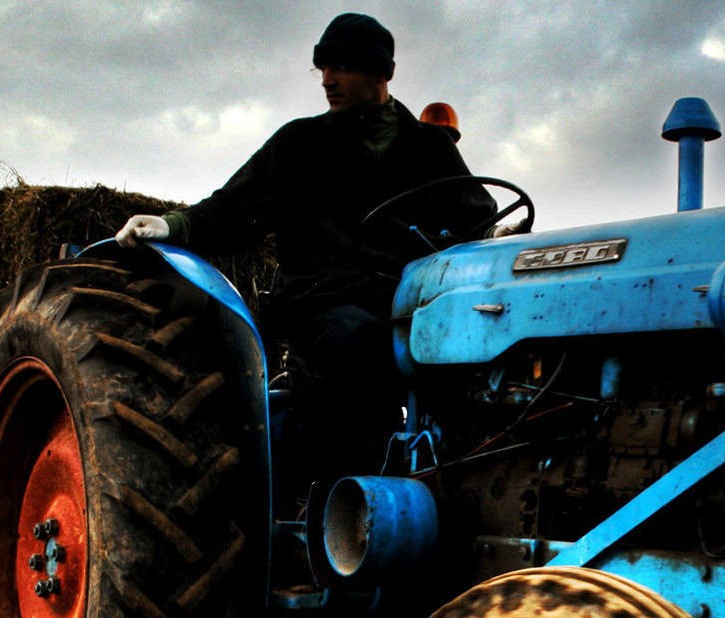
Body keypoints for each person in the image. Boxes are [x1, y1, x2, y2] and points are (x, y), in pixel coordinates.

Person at [116, 13, 493, 481]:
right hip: (322, 304)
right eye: (323, 69)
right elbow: (234, 208)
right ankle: (349, 496)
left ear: (381, 72)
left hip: (406, 302)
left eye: (342, 67)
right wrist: (173, 225)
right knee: (358, 344)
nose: (328, 80)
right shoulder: (300, 144)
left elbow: (477, 217)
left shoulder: (430, 146)